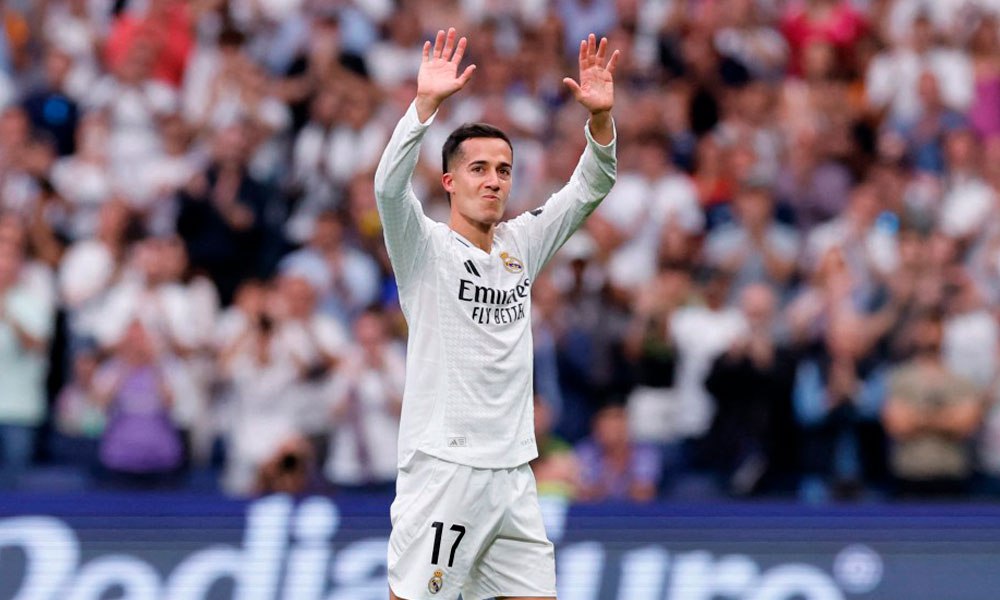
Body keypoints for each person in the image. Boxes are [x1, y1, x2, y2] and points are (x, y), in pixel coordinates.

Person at [374, 27, 618, 600]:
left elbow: (590, 186)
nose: (493, 181)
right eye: (479, 168)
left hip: (512, 473)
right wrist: (423, 107)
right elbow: (387, 190)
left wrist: (601, 119)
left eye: (503, 170)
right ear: (449, 181)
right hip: (446, 468)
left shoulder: (520, 244)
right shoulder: (425, 248)